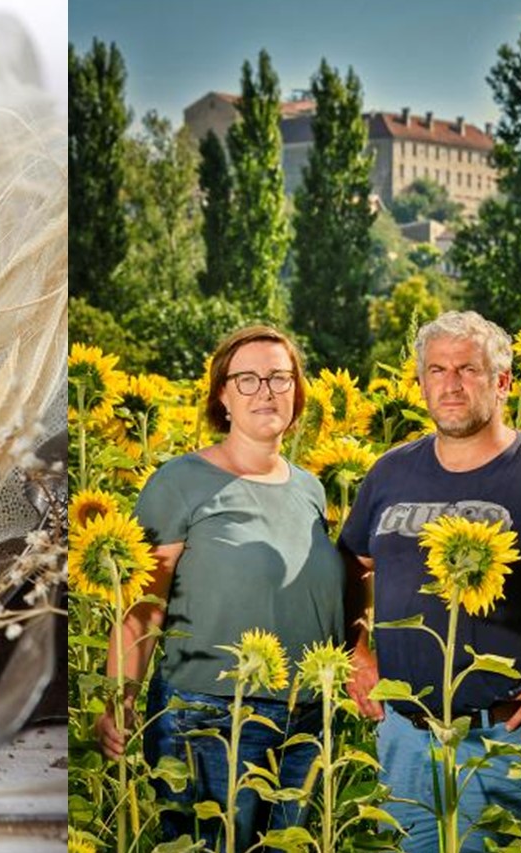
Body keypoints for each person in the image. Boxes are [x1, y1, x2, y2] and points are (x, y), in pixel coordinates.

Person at [343, 311, 521, 853]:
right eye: (437, 370)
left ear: (503, 381)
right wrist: (356, 649)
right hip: (402, 737)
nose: (451, 384)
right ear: (421, 382)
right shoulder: (390, 472)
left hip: (497, 745)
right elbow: (351, 565)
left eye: (468, 369)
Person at [117, 325, 353, 844]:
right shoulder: (180, 482)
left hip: (305, 716)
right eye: (247, 379)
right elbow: (144, 605)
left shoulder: (311, 488)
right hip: (210, 715)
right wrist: (121, 698)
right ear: (222, 395)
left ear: (298, 393)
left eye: (279, 378)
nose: (266, 391)